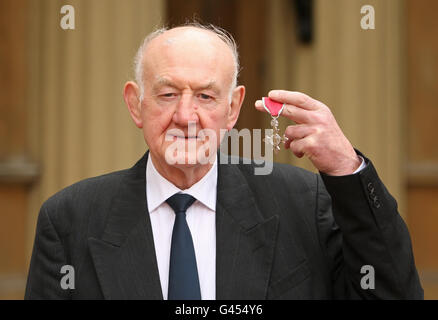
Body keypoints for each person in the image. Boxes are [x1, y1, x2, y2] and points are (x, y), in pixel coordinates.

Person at [25, 22, 423, 299]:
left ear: (232, 108)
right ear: (136, 104)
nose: (186, 116)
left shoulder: (305, 204)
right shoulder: (70, 220)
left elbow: (393, 293)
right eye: (167, 95)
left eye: (205, 96)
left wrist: (346, 170)